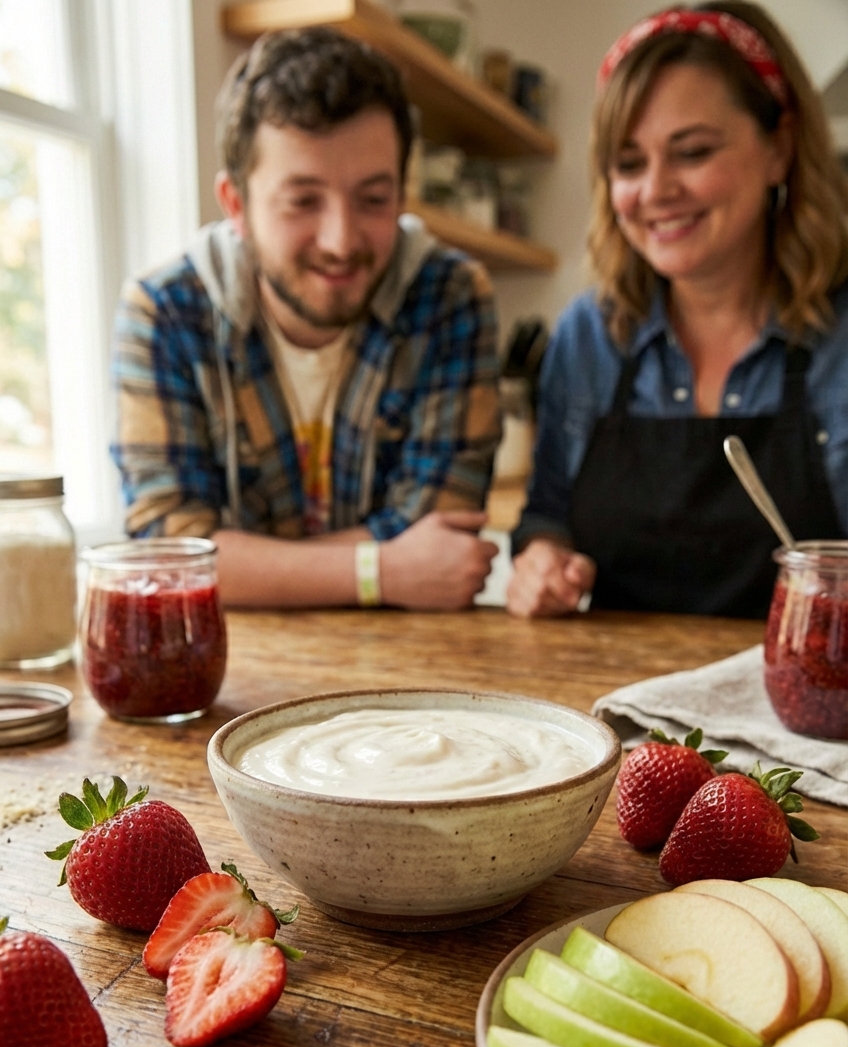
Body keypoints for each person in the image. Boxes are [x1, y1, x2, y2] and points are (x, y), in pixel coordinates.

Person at [112, 28, 500, 610]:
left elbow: (441, 534)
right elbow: (169, 556)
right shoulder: (162, 312)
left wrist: (250, 563)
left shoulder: (451, 296)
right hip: (233, 671)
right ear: (236, 205)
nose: (341, 241)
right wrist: (382, 570)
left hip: (410, 662)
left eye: (374, 199)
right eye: (303, 200)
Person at [508, 2, 848, 620]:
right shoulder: (588, 336)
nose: (656, 191)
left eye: (691, 152)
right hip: (611, 703)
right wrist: (542, 560)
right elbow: (547, 515)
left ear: (780, 146)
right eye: (629, 164)